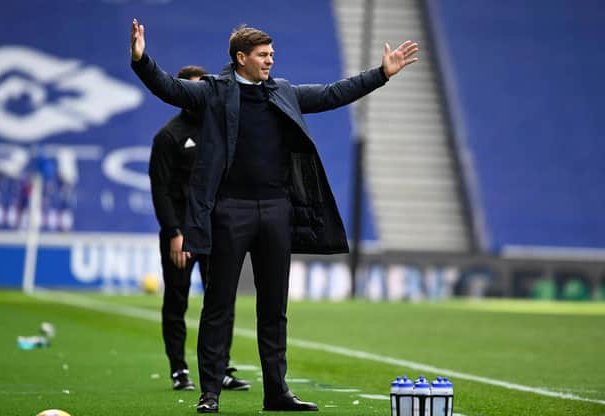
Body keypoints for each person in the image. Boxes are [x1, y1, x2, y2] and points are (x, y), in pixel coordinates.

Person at [131, 20, 418, 413]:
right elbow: (168, 87)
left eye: (271, 54)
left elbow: (334, 94)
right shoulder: (214, 91)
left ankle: (276, 392)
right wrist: (141, 59)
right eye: (263, 55)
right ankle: (210, 392)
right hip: (229, 210)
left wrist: (382, 74)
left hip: (276, 210)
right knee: (218, 305)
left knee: (274, 308)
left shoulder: (282, 92)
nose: (270, 60)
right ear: (241, 58)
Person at [148, 65, 250, 393]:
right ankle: (178, 368)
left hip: (216, 230)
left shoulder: (219, 130)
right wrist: (175, 232)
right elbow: (160, 190)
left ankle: (220, 367)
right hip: (181, 233)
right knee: (177, 300)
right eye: (191, 90)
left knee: (221, 300)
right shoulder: (169, 136)